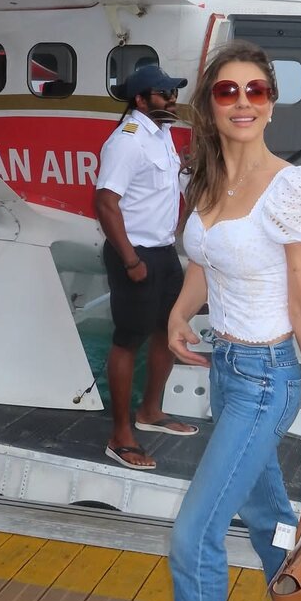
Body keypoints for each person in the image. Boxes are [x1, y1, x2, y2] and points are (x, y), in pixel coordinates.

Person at [146, 41, 301, 601]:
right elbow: (205, 259)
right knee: (267, 520)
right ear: (210, 104)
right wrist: (178, 312)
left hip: (267, 380)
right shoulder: (207, 177)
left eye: (256, 90)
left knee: (192, 536)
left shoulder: (293, 188)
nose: (243, 102)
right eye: (227, 91)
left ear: (271, 102)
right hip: (227, 371)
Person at [95, 63, 199, 471]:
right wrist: (130, 260)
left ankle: (150, 411)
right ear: (140, 100)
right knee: (128, 341)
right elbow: (106, 203)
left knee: (166, 331)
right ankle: (120, 435)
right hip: (135, 255)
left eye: (173, 93)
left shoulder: (162, 134)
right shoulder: (127, 141)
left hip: (162, 252)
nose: (172, 100)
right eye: (164, 94)